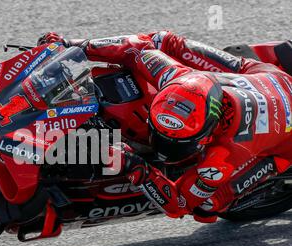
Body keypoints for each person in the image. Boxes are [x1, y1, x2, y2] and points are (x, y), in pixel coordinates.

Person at [37, 31, 292, 223]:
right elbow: (139, 46)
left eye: (175, 142)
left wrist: (137, 167)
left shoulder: (226, 154)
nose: (161, 146)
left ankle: (271, 169)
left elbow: (178, 204)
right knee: (165, 41)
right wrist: (72, 46)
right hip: (262, 76)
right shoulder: (176, 76)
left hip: (282, 139)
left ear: (205, 136)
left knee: (208, 205)